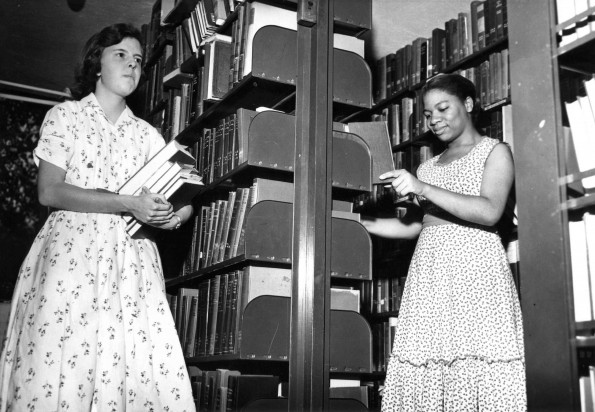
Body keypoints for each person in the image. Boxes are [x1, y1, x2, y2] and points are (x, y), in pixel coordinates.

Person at [0, 23, 196, 411]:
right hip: (71, 261)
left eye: (138, 60)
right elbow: (50, 191)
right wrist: (128, 203)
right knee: (62, 371)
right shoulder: (65, 116)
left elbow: (183, 198)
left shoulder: (147, 135)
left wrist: (170, 216)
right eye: (120, 55)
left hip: (131, 264)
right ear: (96, 64)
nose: (132, 65)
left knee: (134, 370)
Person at [363, 73, 525, 411]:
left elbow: (490, 211)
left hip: (476, 269)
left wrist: (421, 188)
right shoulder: (428, 166)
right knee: (429, 362)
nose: (434, 120)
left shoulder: (495, 152)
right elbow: (414, 227)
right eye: (427, 114)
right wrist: (358, 223)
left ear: (468, 104)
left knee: (477, 360)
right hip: (430, 273)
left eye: (442, 108)